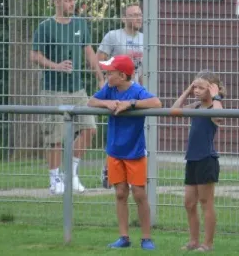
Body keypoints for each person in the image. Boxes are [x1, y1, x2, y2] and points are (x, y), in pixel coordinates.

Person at [30, 0, 105, 195]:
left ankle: (71, 175)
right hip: (53, 90)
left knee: (90, 129)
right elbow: (34, 56)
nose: (72, 4)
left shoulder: (80, 24)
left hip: (78, 90)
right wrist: (56, 66)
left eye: (73, 0)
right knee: (55, 138)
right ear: (56, 2)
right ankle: (55, 180)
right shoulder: (45, 26)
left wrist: (100, 79)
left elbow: (89, 53)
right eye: (67, 1)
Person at [87, 54, 162, 250]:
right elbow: (91, 102)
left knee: (139, 194)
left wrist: (132, 104)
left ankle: (146, 238)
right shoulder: (109, 89)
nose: (106, 74)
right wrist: (107, 104)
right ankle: (124, 237)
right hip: (114, 151)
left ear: (122, 75)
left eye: (109, 72)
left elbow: (157, 103)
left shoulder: (137, 90)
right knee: (120, 193)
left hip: (135, 152)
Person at [172, 70, 224, 252]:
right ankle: (193, 241)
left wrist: (217, 96)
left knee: (205, 202)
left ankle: (207, 244)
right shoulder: (195, 107)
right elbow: (174, 110)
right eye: (195, 87)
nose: (197, 90)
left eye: (201, 88)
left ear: (211, 89)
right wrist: (187, 91)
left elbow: (219, 117)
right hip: (192, 159)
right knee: (189, 202)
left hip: (206, 159)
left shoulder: (214, 107)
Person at [97, 4, 144, 83]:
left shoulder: (144, 38)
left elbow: (142, 70)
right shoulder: (113, 35)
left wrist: (143, 90)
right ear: (124, 19)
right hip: (114, 87)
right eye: (135, 15)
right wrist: (102, 81)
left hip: (134, 89)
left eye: (140, 15)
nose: (139, 18)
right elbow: (98, 61)